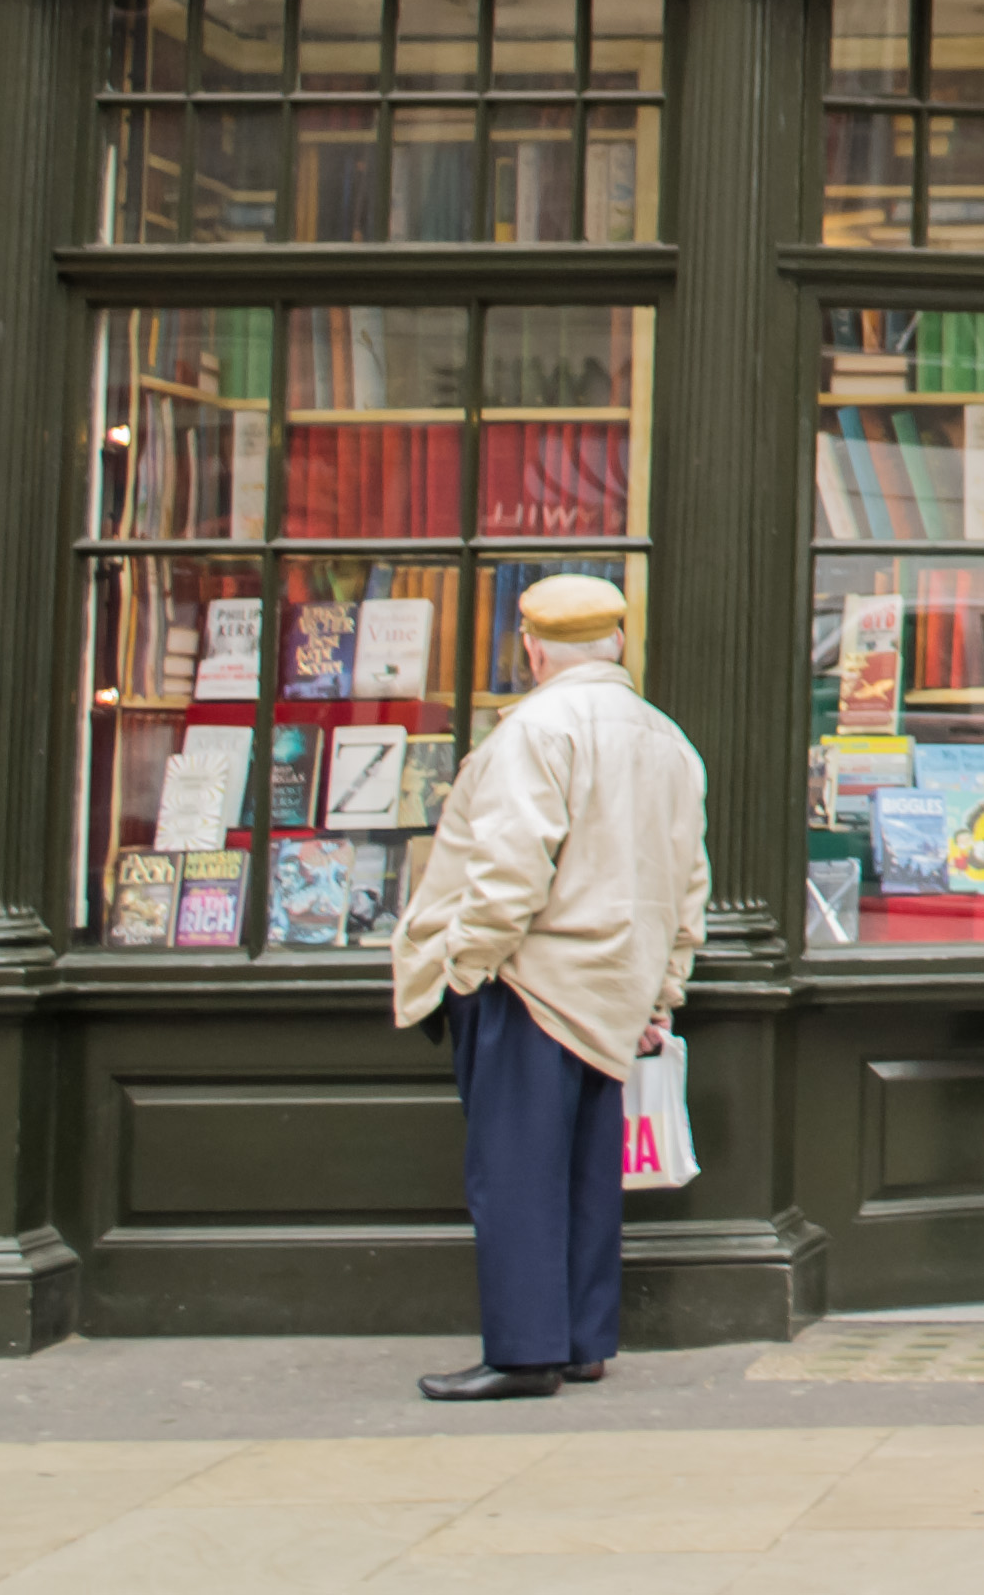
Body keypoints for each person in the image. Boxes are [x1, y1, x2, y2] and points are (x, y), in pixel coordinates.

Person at [389, 572, 708, 1403]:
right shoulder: (667, 738)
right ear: (620, 643)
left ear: (531, 646)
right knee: (586, 1172)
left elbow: (508, 869)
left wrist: (465, 962)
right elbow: (689, 883)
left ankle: (526, 1351)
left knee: (517, 1172)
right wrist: (662, 991)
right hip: (617, 989)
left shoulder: (534, 729)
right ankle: (581, 1338)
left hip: (529, 983)